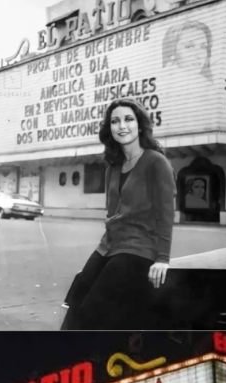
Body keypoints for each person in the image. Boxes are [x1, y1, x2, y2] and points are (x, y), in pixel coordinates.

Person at [62, 98, 176, 330]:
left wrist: (163, 258)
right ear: (109, 129)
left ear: (140, 125)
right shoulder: (113, 167)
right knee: (78, 295)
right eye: (115, 121)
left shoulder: (156, 162)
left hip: (138, 248)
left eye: (128, 119)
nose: (122, 126)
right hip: (109, 246)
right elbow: (112, 212)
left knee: (94, 308)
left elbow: (166, 212)